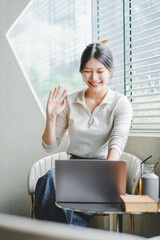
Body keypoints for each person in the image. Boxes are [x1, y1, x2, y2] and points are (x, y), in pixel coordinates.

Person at [35, 41, 133, 226]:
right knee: (48, 180)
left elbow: (118, 140)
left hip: (103, 170)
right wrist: (51, 117)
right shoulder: (70, 101)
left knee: (65, 203)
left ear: (110, 70)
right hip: (73, 169)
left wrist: (106, 175)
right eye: (87, 70)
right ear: (81, 71)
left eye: (100, 71)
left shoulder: (120, 104)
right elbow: (49, 145)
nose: (94, 77)